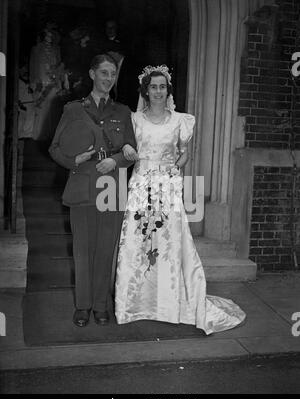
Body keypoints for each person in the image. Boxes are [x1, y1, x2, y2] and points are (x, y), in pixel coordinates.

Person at [115, 65, 246, 334]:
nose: (158, 91)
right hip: (141, 186)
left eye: (163, 86)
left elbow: (183, 153)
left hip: (167, 187)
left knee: (169, 242)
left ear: (168, 90)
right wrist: (128, 151)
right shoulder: (134, 120)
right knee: (138, 242)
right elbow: (127, 147)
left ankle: (169, 302)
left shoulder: (181, 121)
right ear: (146, 90)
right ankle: (134, 304)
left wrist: (178, 165)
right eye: (154, 87)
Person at [49, 54, 136, 327]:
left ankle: (100, 305)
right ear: (92, 74)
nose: (108, 79)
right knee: (82, 250)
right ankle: (83, 306)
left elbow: (133, 151)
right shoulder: (74, 109)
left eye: (112, 74)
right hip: (82, 185)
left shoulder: (123, 112)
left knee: (105, 249)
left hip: (111, 185)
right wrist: (73, 160)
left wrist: (116, 160)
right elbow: (55, 148)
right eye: (104, 73)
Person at [29, 27, 66, 141]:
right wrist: (35, 82)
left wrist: (59, 82)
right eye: (47, 34)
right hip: (41, 83)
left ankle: (50, 135)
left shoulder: (57, 49)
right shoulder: (36, 49)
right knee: (40, 109)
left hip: (53, 83)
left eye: (51, 35)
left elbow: (60, 66)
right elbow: (33, 66)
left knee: (51, 110)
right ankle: (38, 135)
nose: (49, 37)